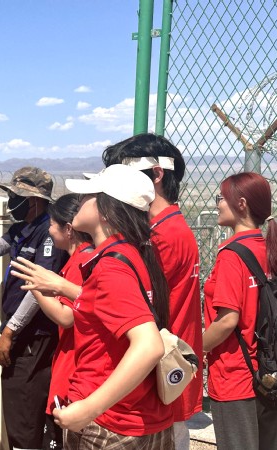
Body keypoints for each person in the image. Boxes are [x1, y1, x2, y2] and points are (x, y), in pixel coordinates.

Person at [12, 164, 174, 449]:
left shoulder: (112, 267)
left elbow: (149, 346)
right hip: (138, 414)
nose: (80, 201)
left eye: (88, 196)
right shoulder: (131, 254)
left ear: (106, 211)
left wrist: (88, 409)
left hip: (111, 423)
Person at [101, 133, 202, 449]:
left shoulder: (161, 236)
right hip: (168, 374)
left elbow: (135, 305)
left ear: (156, 174)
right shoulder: (171, 227)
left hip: (158, 379)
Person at [0, 167, 66, 450]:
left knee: (25, 405)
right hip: (20, 332)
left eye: (17, 196)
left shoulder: (48, 233)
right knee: (18, 402)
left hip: (33, 335)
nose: (12, 201)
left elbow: (40, 289)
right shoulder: (21, 229)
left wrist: (10, 332)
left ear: (35, 200)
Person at [10, 193, 93, 449]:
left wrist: (35, 285)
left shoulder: (80, 262)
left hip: (73, 365)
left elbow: (66, 317)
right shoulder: (78, 259)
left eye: (53, 224)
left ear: (68, 230)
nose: (48, 229)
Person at [203, 172, 277, 450]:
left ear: (241, 204)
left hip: (235, 375)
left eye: (221, 198)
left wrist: (196, 347)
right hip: (268, 371)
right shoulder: (268, 248)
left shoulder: (232, 255)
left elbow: (227, 321)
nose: (218, 204)